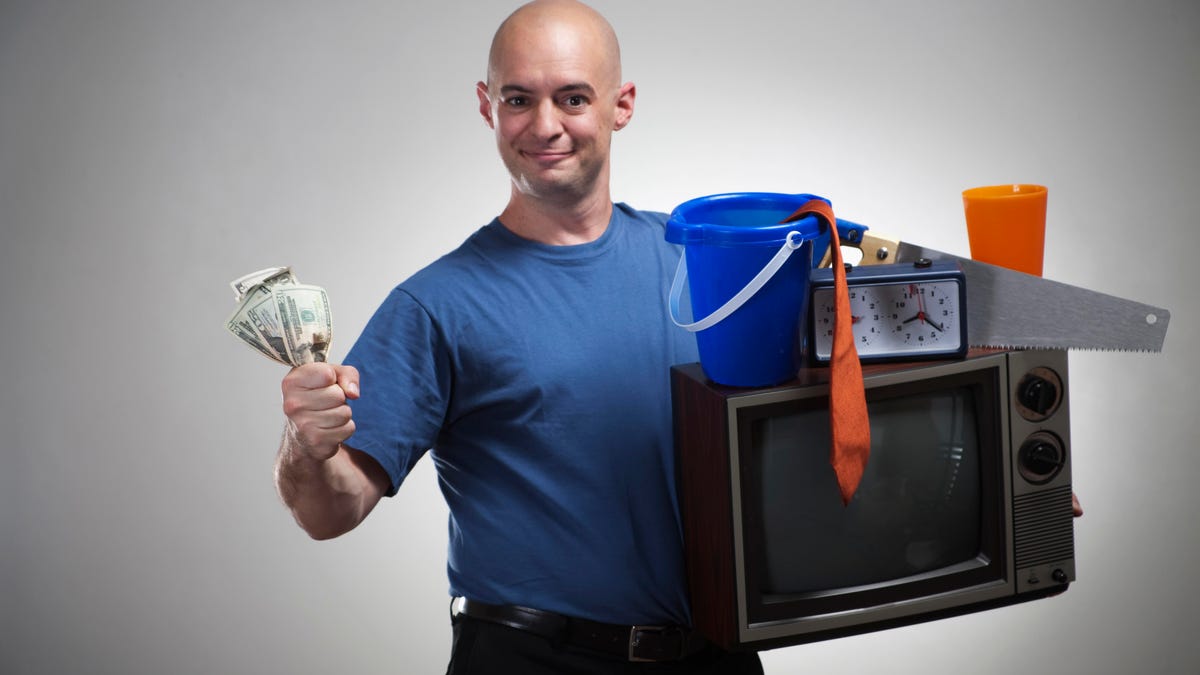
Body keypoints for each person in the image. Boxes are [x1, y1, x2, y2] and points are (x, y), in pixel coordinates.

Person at [274, 1, 764, 672]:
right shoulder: (436, 303)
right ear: (486, 106)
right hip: (530, 658)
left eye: (572, 98)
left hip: (713, 655)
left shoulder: (699, 264)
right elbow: (329, 509)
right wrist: (307, 442)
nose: (545, 125)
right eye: (518, 99)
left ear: (621, 105)